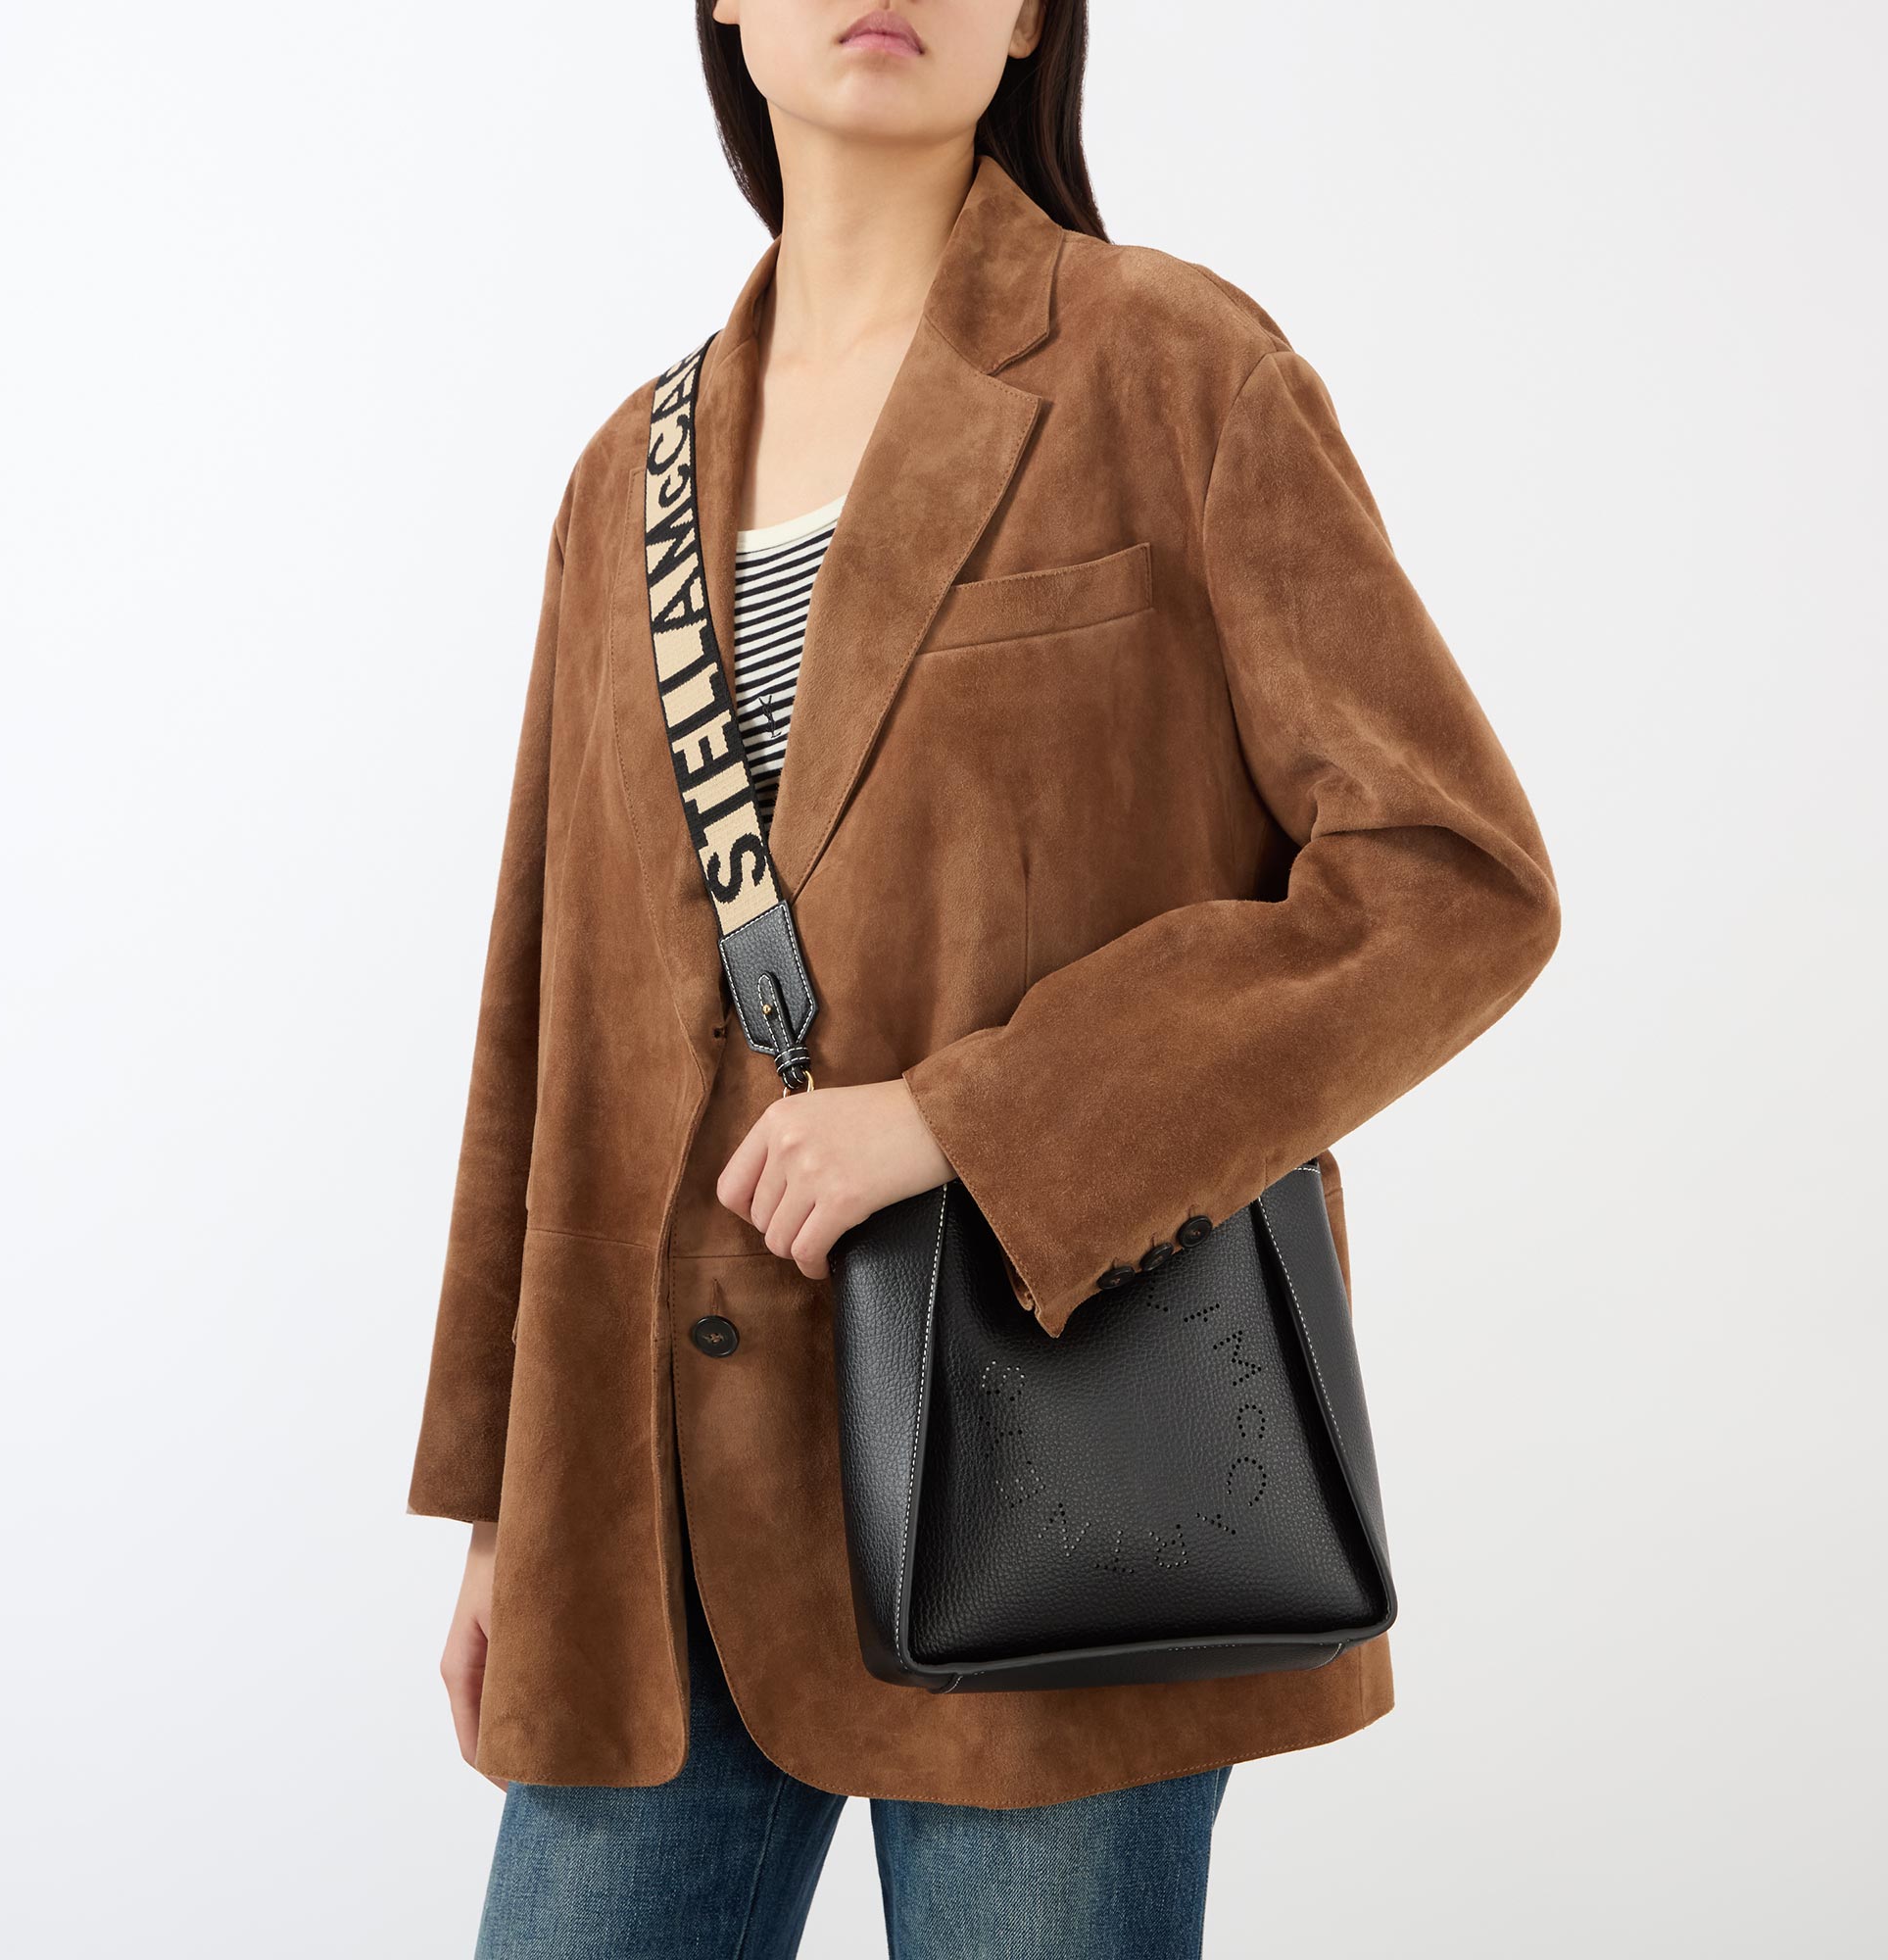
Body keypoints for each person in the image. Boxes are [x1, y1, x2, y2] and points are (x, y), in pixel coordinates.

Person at [409, 4, 1562, 1954]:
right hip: (652, 1514)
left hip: (1055, 1463)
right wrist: (505, 1506)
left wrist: (973, 1117)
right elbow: (542, 1018)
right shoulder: (625, 479)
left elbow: (1449, 878)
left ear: (1029, 15)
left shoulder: (1171, 368)